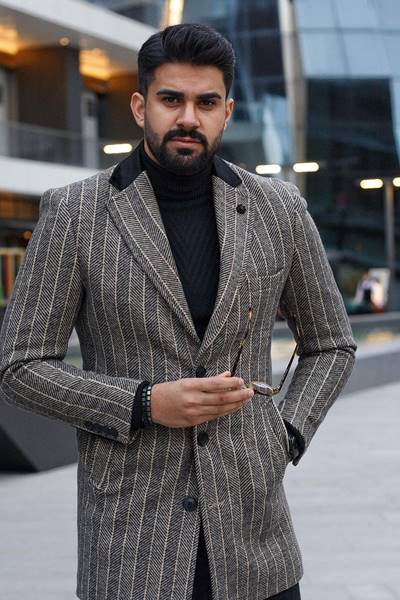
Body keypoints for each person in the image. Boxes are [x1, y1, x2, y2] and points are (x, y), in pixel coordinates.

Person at [0, 23, 357, 600]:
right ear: (140, 106)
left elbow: (332, 343)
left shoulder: (280, 208)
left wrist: (286, 433)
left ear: (227, 112)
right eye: (171, 99)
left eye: (206, 103)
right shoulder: (74, 213)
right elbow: (18, 366)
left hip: (256, 540)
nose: (188, 117)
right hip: (131, 540)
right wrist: (143, 403)